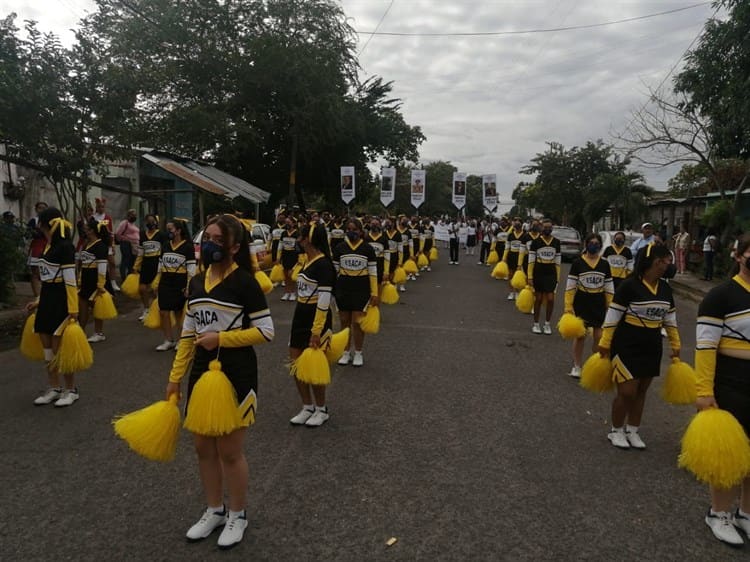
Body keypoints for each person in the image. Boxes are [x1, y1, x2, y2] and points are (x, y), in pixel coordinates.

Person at [165, 214, 274, 549]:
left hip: (236, 373)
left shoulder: (246, 282)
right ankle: (214, 510)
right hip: (201, 372)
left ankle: (237, 515)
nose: (208, 244)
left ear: (234, 246)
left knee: (229, 450)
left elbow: (266, 332)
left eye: (216, 238)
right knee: (202, 447)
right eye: (205, 237)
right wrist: (174, 379)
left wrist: (222, 339)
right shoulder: (196, 282)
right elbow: (187, 334)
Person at [693, 234, 750, 546]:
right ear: (739, 256)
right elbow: (705, 346)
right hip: (730, 382)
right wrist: (704, 391)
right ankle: (719, 512)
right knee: (728, 454)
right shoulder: (720, 295)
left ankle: (746, 513)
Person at [598, 243, 679, 450]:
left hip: (652, 345)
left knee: (642, 390)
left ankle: (632, 430)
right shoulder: (629, 285)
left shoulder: (665, 288)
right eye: (663, 261)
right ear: (652, 261)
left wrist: (676, 345)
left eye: (668, 261)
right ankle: (615, 430)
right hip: (627, 344)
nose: (667, 265)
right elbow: (613, 316)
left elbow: (670, 320)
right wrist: (605, 343)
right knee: (627, 391)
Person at [24, 207, 81, 407]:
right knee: (47, 349)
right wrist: (38, 300)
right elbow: (48, 279)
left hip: (62, 303)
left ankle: (71, 389)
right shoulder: (48, 247)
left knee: (60, 348)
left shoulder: (65, 247)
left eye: (39, 222)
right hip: (47, 301)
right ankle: (54, 387)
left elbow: (70, 281)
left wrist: (73, 311)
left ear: (44, 224)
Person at [288, 222, 337, 427]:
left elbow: (324, 302)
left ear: (309, 239)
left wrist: (316, 331)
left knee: (316, 366)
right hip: (300, 315)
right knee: (296, 364)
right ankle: (306, 406)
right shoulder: (306, 261)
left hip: (317, 319)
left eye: (301, 237)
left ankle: (321, 408)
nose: (298, 241)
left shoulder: (324, 265)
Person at [564, 233, 614, 378]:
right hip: (582, 301)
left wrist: (611, 307)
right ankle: (577, 366)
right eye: (591, 243)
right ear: (586, 245)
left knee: (599, 335)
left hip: (598, 302)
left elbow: (609, 288)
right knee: (581, 335)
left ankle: (595, 364)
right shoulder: (578, 263)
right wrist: (568, 306)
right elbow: (570, 287)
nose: (594, 245)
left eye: (596, 243)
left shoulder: (604, 264)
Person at [333, 218, 378, 367]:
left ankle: (358, 352)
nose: (351, 232)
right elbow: (335, 271)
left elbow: (372, 272)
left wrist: (375, 293)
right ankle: (345, 352)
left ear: (360, 231)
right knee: (344, 321)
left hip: (361, 289)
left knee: (357, 322)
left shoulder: (368, 249)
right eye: (349, 229)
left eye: (355, 229)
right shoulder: (339, 248)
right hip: (343, 288)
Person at [155, 219, 196, 351]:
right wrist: (157, 281)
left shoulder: (188, 246)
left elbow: (191, 269)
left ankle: (180, 340)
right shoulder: (166, 245)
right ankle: (168, 340)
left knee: (178, 312)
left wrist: (189, 286)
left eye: (170, 230)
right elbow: (160, 264)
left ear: (178, 231)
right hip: (165, 281)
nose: (168, 232)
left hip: (180, 281)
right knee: (163, 312)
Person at [77, 217, 114, 343]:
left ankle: (99, 332)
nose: (84, 231)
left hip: (96, 278)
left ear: (92, 231)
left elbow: (103, 266)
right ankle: (80, 331)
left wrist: (100, 284)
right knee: (82, 304)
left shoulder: (100, 246)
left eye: (87, 229)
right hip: (86, 277)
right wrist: (79, 279)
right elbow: (82, 263)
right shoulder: (86, 244)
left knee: (96, 306)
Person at [527, 219, 561, 334]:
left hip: (551, 273)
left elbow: (558, 262)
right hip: (538, 272)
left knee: (551, 299)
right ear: (541, 228)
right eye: (545, 227)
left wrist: (558, 278)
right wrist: (530, 276)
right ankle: (536, 324)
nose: (548, 229)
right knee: (539, 299)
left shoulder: (556, 242)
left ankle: (547, 324)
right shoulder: (536, 242)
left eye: (550, 227)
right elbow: (531, 261)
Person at [134, 214, 166, 321]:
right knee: (142, 288)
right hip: (146, 264)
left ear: (156, 222)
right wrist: (136, 266)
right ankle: (146, 309)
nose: (150, 223)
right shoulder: (142, 235)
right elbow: (140, 252)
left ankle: (156, 310)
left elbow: (164, 251)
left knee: (154, 289)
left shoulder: (161, 235)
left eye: (152, 221)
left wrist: (163, 266)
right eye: (148, 221)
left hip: (157, 263)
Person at [92, 198, 119, 291]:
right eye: (99, 207)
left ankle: (113, 282)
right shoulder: (92, 218)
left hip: (106, 244)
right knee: (97, 264)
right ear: (96, 207)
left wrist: (113, 245)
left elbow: (111, 232)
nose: (101, 208)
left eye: (103, 207)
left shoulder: (108, 218)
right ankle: (98, 283)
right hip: (96, 244)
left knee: (112, 263)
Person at [501, 217, 527, 301]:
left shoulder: (525, 235)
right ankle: (512, 292)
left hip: (522, 257)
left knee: (520, 275)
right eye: (515, 222)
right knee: (511, 275)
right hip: (511, 256)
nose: (517, 224)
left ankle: (518, 292)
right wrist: (504, 258)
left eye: (519, 222)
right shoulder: (511, 235)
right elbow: (507, 247)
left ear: (522, 224)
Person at [26, 201, 48, 297]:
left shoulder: (50, 221)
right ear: (36, 209)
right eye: (40, 208)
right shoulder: (33, 221)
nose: (42, 210)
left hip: (48, 247)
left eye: (44, 208)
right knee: (35, 272)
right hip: (37, 247)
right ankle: (37, 295)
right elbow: (28, 233)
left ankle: (45, 295)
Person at [115, 209, 140, 280]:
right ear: (128, 215)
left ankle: (129, 278)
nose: (135, 216)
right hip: (126, 244)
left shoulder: (133, 224)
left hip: (134, 245)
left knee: (132, 261)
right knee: (126, 260)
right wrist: (124, 239)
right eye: (133, 215)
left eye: (135, 215)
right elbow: (118, 233)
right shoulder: (124, 223)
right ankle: (123, 278)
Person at [280, 217, 300, 301]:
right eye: (286, 222)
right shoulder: (283, 233)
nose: (287, 224)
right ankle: (287, 292)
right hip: (285, 255)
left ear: (293, 223)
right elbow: (280, 245)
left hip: (293, 256)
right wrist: (278, 257)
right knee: (285, 275)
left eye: (289, 222)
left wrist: (300, 258)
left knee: (291, 275)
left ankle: (292, 293)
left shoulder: (297, 234)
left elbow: (299, 247)